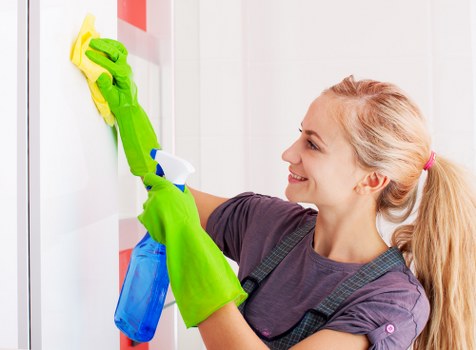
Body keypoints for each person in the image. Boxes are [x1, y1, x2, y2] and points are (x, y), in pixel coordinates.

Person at [86, 38, 476, 349]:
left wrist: (191, 250)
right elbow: (172, 192)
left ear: (371, 180)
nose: (289, 153)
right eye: (299, 134)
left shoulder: (393, 303)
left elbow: (182, 222)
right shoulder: (270, 223)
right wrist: (129, 110)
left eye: (313, 144)